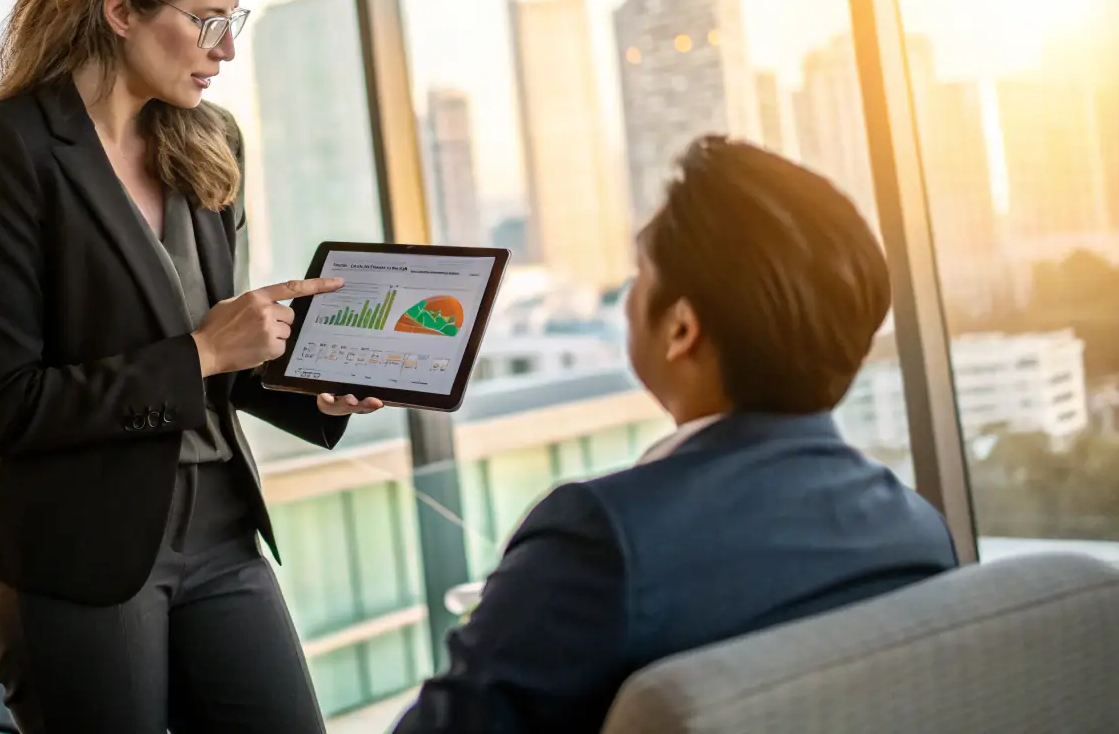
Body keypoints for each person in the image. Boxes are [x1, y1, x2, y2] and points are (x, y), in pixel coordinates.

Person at [0, 0, 383, 734]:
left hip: (220, 529)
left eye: (234, 21)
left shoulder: (210, 140)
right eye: (206, 19)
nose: (224, 49)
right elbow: (3, 406)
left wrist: (310, 383)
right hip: (69, 549)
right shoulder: (7, 147)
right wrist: (206, 353)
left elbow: (221, 360)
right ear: (119, 9)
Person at [395, 136, 958, 734]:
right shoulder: (916, 529)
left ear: (682, 327)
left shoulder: (602, 544)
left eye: (640, 275)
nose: (629, 300)